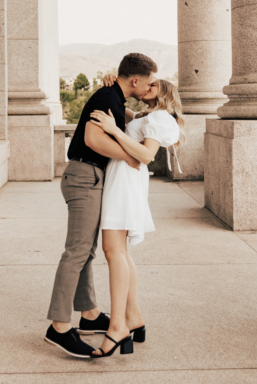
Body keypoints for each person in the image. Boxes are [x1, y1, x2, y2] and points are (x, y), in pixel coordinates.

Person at [45, 53, 158, 358]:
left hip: (89, 176)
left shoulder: (115, 98)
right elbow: (93, 139)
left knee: (87, 251)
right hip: (85, 175)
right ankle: (58, 327)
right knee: (77, 251)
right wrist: (129, 156)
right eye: (148, 82)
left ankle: (90, 315)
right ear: (135, 80)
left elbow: (138, 121)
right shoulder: (108, 95)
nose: (150, 87)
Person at [89, 75, 185, 358]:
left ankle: (118, 326)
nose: (147, 85)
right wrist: (112, 83)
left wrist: (113, 131)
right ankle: (134, 318)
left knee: (112, 250)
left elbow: (145, 154)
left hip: (127, 180)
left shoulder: (160, 119)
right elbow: (129, 117)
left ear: (163, 92)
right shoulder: (149, 116)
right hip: (123, 178)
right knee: (119, 251)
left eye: (153, 84)